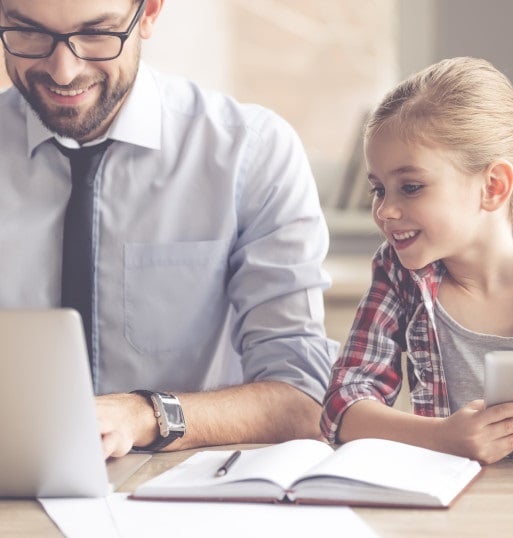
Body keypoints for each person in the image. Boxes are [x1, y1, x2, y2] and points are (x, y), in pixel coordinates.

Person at [0, 0, 338, 457]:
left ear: (150, 13)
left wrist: (145, 415)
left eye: (98, 34)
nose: (63, 70)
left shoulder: (251, 153)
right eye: (29, 33)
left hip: (181, 496)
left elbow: (304, 400)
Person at [321, 56, 513, 464]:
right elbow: (342, 406)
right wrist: (441, 437)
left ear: (493, 186)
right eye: (379, 189)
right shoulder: (399, 274)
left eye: (411, 187)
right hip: (449, 502)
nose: (385, 211)